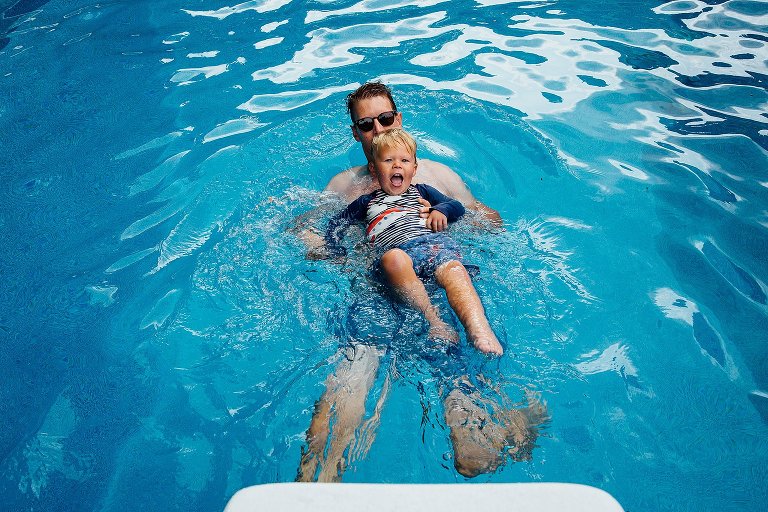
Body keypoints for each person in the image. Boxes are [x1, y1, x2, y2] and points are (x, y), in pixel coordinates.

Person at [296, 82, 546, 481]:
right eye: (366, 124)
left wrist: (444, 219)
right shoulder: (346, 186)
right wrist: (333, 254)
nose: (378, 130)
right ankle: (314, 483)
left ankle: (505, 428)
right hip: (378, 288)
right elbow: (309, 231)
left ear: (399, 118)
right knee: (349, 377)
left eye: (385, 118)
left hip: (436, 284)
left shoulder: (434, 174)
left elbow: (488, 220)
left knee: (467, 435)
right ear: (355, 132)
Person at [318, 128, 503, 355]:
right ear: (374, 169)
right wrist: (334, 250)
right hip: (400, 254)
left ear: (414, 169)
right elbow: (336, 225)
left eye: (404, 160)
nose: (397, 165)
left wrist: (439, 210)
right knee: (392, 259)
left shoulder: (423, 191)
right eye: (388, 160)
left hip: (434, 248)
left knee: (455, 269)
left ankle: (479, 328)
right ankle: (435, 322)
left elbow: (457, 207)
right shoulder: (365, 202)